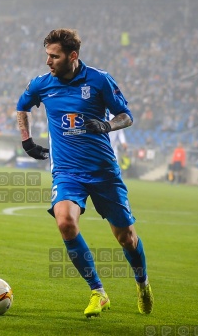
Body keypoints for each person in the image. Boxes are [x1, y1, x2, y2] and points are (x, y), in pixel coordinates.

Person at [16, 28, 153, 317]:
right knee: (65, 222)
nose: (48, 62)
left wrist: (106, 126)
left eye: (54, 56)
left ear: (73, 56)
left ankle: (142, 283)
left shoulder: (99, 80)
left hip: (103, 172)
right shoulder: (41, 85)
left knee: (126, 237)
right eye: (47, 56)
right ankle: (98, 292)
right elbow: (21, 107)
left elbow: (126, 115)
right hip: (67, 172)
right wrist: (27, 141)